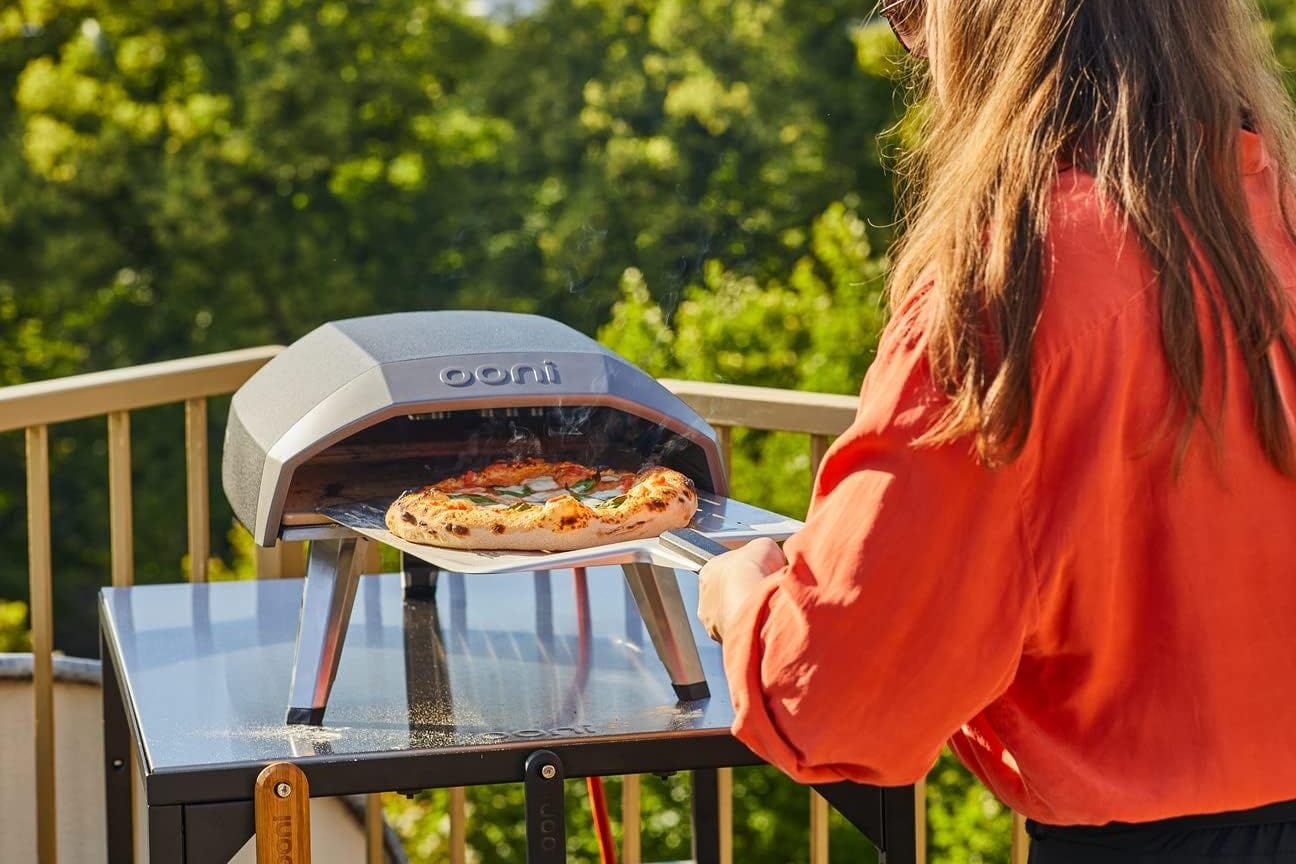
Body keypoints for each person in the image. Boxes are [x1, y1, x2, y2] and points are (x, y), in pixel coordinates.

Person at [695, 1, 1296, 861]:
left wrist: (741, 595)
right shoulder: (1270, 225)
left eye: (912, 15)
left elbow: (832, 699)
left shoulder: (1011, 292)